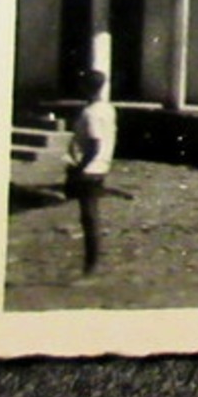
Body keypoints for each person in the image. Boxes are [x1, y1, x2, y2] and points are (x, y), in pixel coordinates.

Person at [64, 68, 119, 276]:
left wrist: (79, 167)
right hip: (101, 167)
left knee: (89, 217)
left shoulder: (91, 113)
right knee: (90, 215)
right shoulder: (106, 109)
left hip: (89, 169)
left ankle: (91, 263)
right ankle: (92, 261)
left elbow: (95, 143)